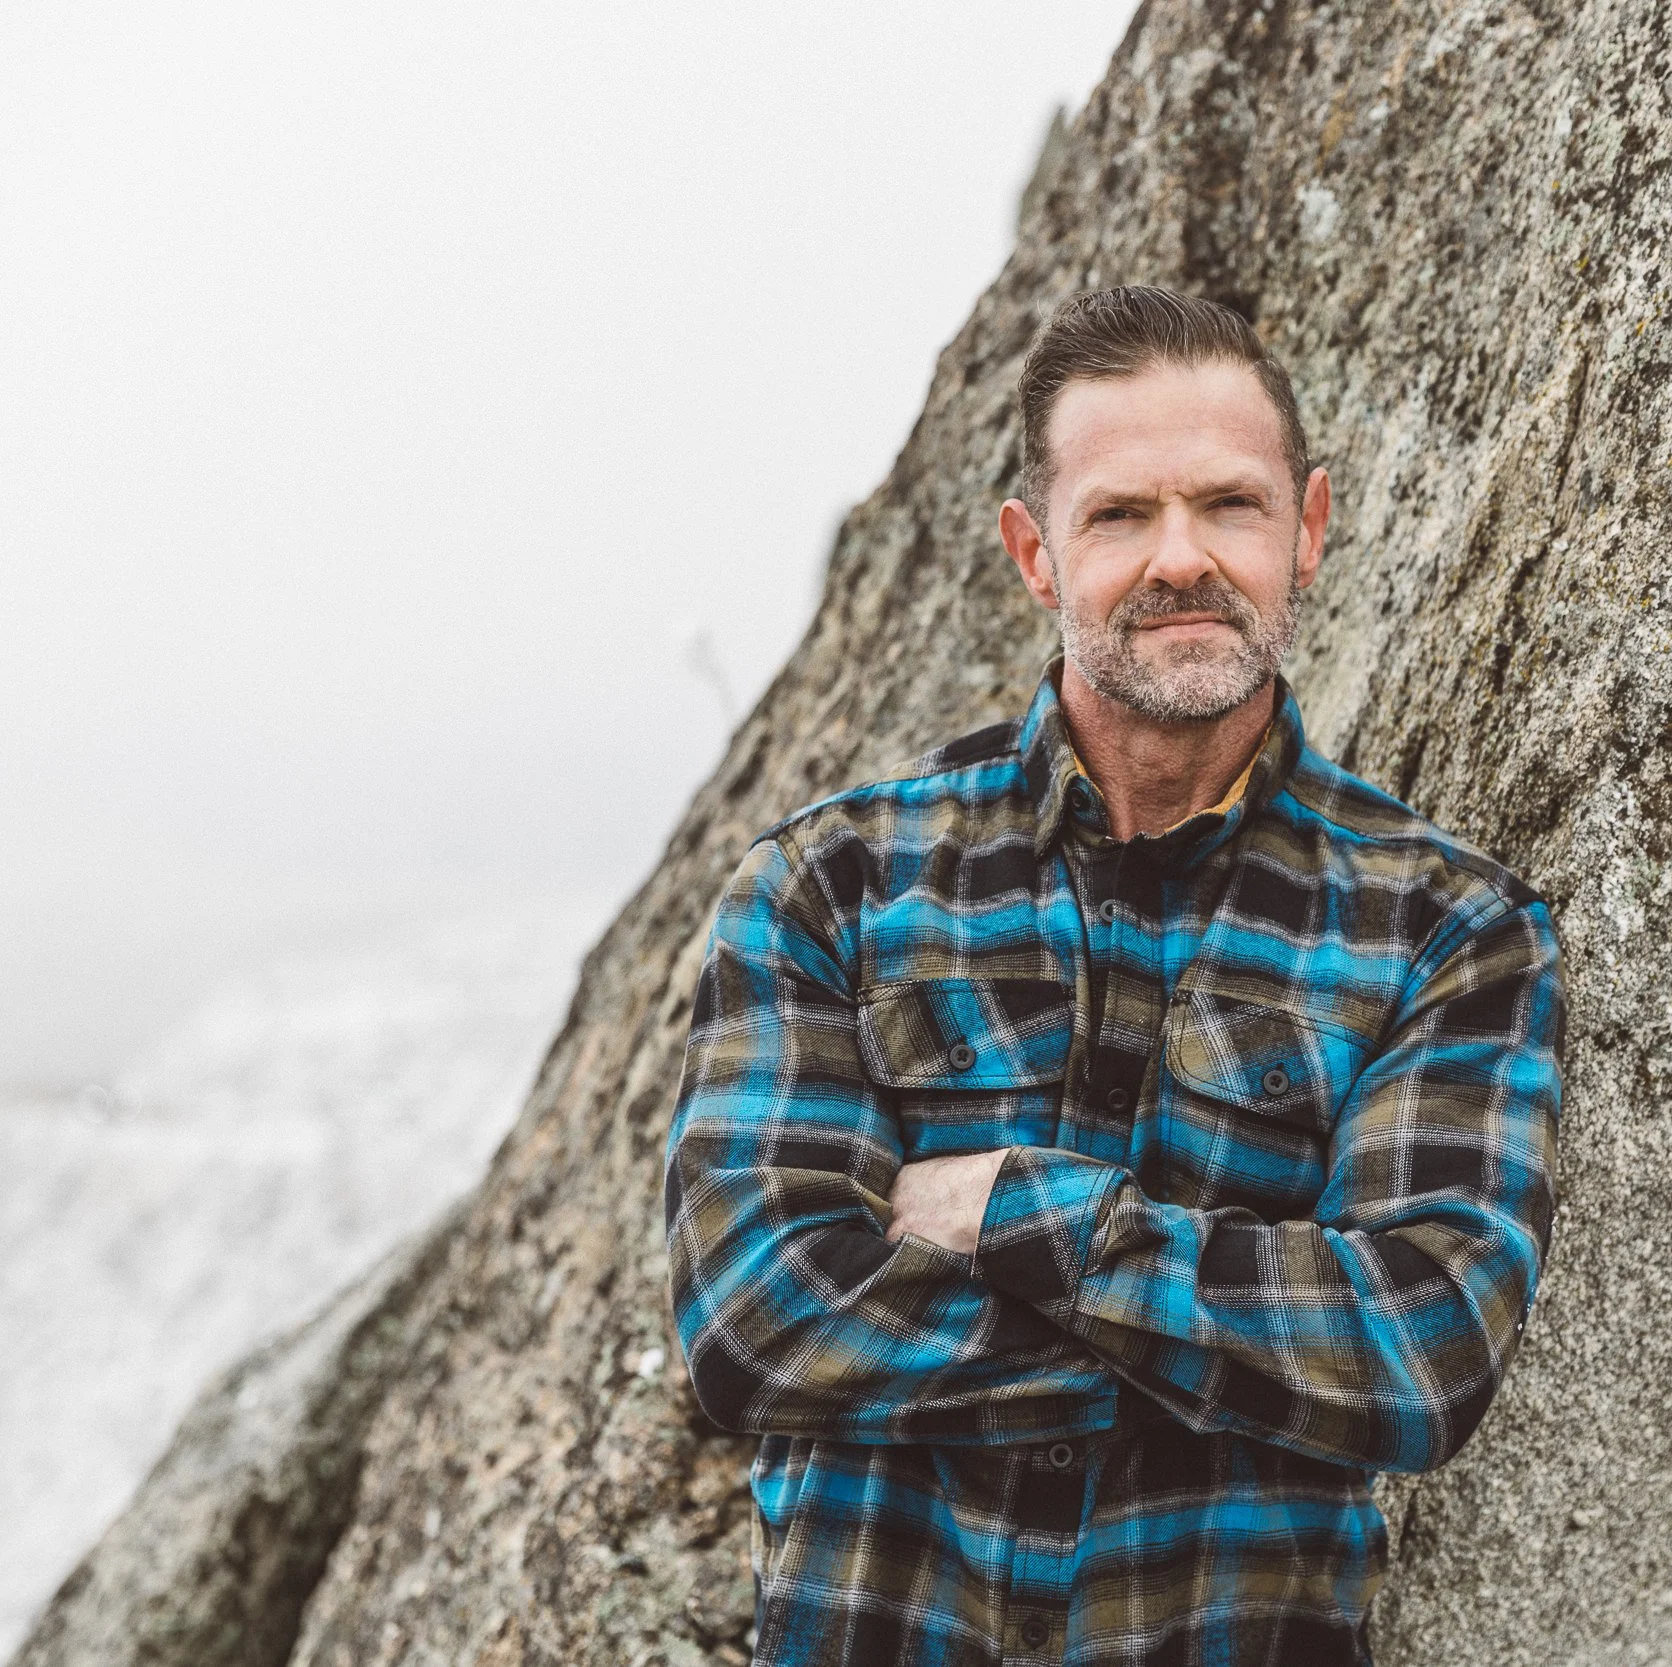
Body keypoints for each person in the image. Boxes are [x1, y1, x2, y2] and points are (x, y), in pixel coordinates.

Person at [663, 285, 1564, 1667]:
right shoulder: (831, 888)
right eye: (1122, 514)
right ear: (1037, 552)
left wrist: (1023, 1211)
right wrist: (1242, 1347)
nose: (1181, 557)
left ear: (1308, 528)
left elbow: (1422, 1348)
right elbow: (753, 1322)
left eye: (1231, 505)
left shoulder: (1446, 932)